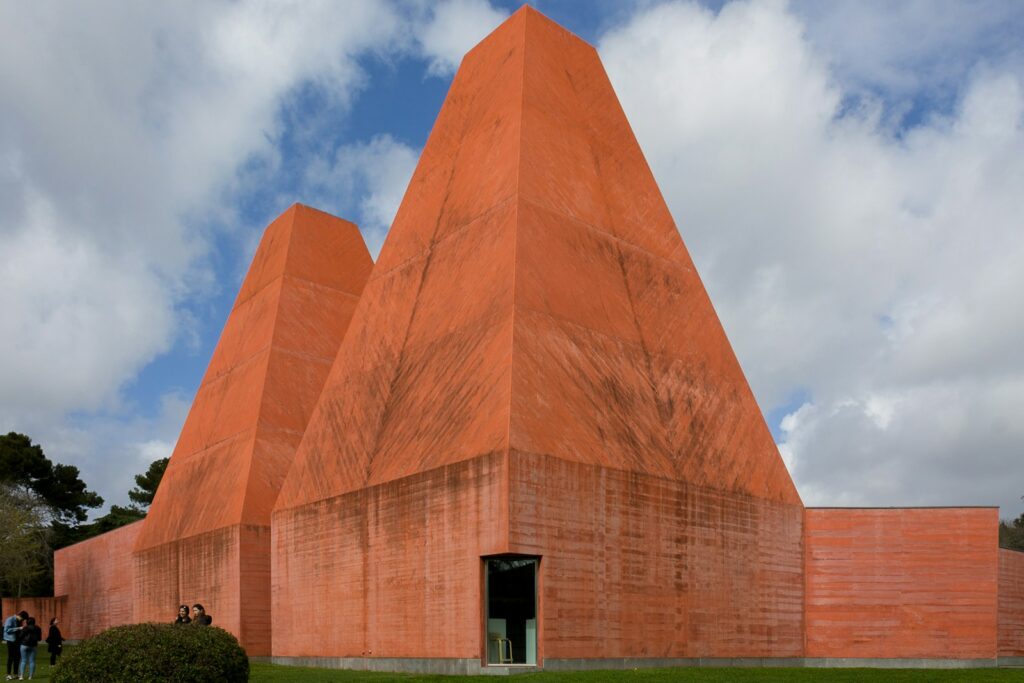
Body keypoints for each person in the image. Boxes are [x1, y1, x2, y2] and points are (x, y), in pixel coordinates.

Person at [3, 611, 27, 681]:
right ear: (20, 616)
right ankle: (8, 675)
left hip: (17, 641)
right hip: (10, 641)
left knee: (17, 658)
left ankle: (15, 674)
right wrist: (19, 628)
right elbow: (7, 630)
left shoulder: (18, 621)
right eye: (23, 619)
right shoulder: (10, 619)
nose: (22, 621)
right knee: (11, 657)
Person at [17, 616, 41, 681]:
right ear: (34, 622)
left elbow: (20, 636)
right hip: (33, 645)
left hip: (24, 645)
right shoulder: (38, 628)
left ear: (27, 622)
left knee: (23, 660)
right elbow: (39, 638)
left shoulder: (25, 628)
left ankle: (21, 676)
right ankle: (30, 676)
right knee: (32, 661)